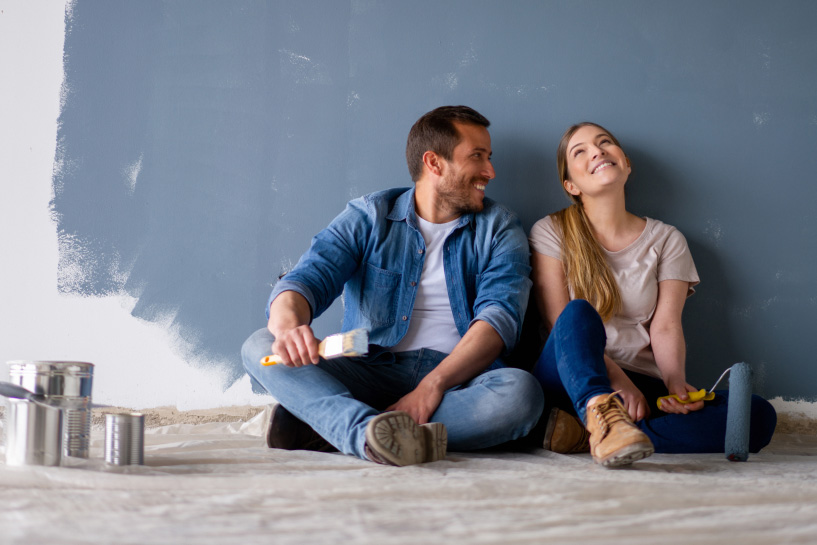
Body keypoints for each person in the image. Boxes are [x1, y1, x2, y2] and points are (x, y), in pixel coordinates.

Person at [242, 105, 544, 467]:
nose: (490, 171)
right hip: (366, 365)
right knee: (260, 346)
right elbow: (308, 278)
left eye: (489, 158)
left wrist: (431, 386)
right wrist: (288, 326)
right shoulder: (370, 215)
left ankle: (327, 427)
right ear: (434, 163)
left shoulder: (500, 227)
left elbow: (499, 320)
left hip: (459, 380)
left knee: (521, 395)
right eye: (477, 157)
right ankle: (366, 434)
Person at [528, 122, 777, 468]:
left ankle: (594, 435)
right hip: (573, 380)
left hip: (643, 387)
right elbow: (557, 320)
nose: (597, 151)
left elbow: (666, 326)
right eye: (580, 151)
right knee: (578, 313)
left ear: (626, 163)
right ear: (570, 185)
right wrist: (615, 381)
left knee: (757, 415)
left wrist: (675, 385)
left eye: (605, 143)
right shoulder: (551, 231)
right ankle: (602, 418)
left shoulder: (667, 240)